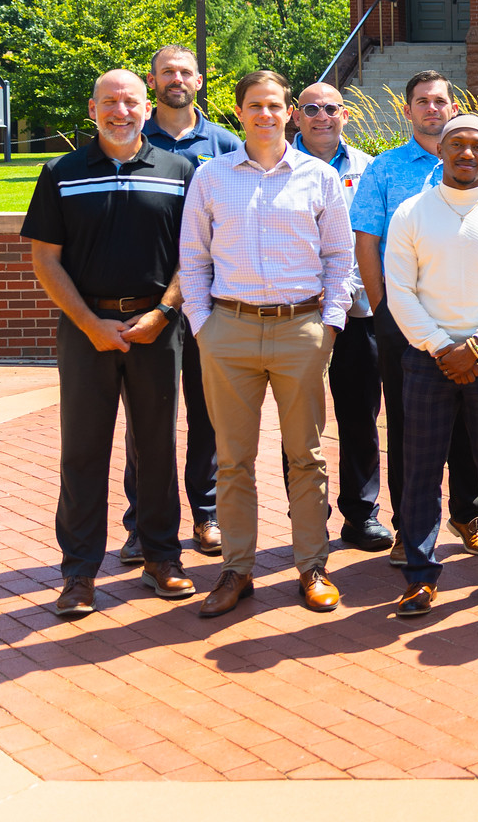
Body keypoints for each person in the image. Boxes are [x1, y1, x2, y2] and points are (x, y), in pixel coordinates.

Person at [24, 69, 199, 617]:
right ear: (93, 108)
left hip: (157, 328)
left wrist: (163, 312)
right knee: (83, 451)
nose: (120, 112)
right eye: (110, 102)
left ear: (147, 109)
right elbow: (45, 259)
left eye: (130, 102)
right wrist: (88, 324)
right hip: (85, 332)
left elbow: (191, 257)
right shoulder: (61, 172)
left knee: (157, 449)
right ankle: (78, 574)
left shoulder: (180, 171)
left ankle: (161, 558)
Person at [180, 69, 354, 619]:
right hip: (228, 330)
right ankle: (237, 569)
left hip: (300, 329)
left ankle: (312, 567)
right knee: (233, 459)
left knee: (305, 454)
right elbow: (194, 259)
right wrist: (203, 324)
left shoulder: (318, 177)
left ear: (291, 113)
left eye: (276, 105)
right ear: (239, 112)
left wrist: (329, 325)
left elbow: (339, 260)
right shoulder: (211, 177)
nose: (266, 115)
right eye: (255, 105)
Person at [384, 115, 478, 616]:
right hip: (427, 361)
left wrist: (476, 345)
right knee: (422, 470)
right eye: (457, 145)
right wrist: (439, 346)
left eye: (477, 146)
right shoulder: (410, 214)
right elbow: (400, 292)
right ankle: (420, 576)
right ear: (441, 150)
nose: (466, 154)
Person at [348, 71, 478, 566]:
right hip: (401, 319)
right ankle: (410, 525)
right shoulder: (384, 170)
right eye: (422, 101)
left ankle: (467, 514)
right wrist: (384, 310)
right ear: (408, 112)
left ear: (452, 106)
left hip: (465, 316)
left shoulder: (476, 161)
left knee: (469, 418)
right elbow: (366, 241)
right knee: (407, 424)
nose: (432, 108)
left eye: (440, 100)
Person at [128, 43, 240, 561]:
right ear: (153, 82)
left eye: (185, 72)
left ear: (200, 81)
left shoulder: (224, 143)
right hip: (148, 301)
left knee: (207, 413)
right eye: (167, 72)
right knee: (148, 417)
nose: (177, 79)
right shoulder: (130, 137)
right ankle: (141, 523)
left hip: (210, 301)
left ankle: (207, 515)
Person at [292, 82, 390, 553]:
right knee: (300, 419)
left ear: (345, 115)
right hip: (299, 313)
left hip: (358, 312)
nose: (321, 116)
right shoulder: (279, 165)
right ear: (296, 115)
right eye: (311, 108)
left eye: (331, 108)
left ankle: (361, 513)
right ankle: (306, 512)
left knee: (359, 415)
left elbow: (371, 238)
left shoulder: (368, 169)